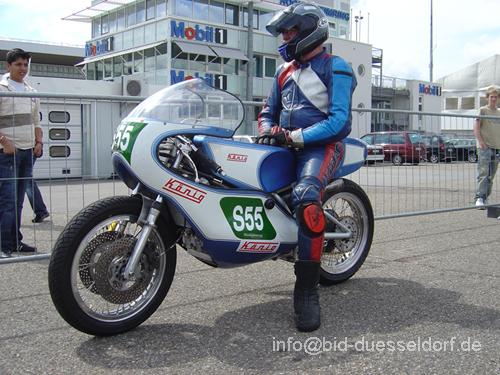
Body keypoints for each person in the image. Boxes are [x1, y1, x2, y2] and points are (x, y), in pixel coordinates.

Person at [257, 2, 357, 332]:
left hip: (322, 147)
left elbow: (340, 122)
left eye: (290, 31)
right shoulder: (284, 72)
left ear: (309, 30)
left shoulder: (336, 66)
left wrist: (294, 135)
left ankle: (306, 293)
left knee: (306, 197)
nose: (284, 38)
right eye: (283, 32)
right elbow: (267, 112)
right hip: (286, 144)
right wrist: (265, 130)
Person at [0, 48, 42, 258]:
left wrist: (39, 141)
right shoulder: (1, 88)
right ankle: (3, 245)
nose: (23, 68)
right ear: (8, 66)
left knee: (18, 200)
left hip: (28, 152)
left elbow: (36, 120)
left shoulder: (31, 92)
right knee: (6, 200)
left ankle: (15, 242)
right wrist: (4, 141)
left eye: (25, 64)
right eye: (18, 64)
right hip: (7, 152)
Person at [474, 86, 500, 209]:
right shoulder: (483, 110)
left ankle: (486, 197)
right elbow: (476, 127)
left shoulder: (499, 113)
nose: (493, 99)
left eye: (496, 97)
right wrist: (481, 142)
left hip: (497, 146)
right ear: (487, 98)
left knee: (491, 175)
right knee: (483, 173)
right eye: (491, 97)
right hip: (485, 146)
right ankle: (479, 198)